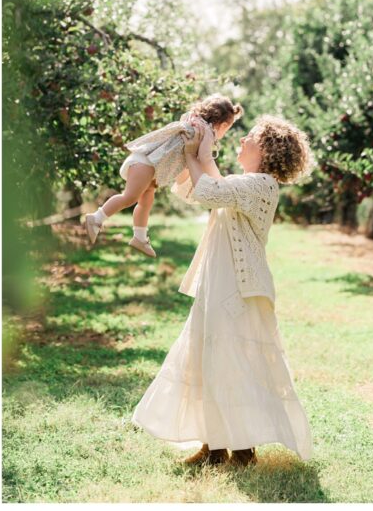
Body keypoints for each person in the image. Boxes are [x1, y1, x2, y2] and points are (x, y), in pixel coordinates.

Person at [131, 114, 314, 467]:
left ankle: (242, 448)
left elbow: (209, 189)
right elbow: (195, 189)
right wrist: (191, 149)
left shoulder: (262, 185)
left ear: (266, 150)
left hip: (239, 290)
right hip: (218, 283)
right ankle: (214, 446)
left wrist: (200, 151)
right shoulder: (244, 183)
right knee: (206, 359)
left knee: (233, 364)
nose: (242, 141)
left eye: (250, 138)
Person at [84, 94, 243, 258]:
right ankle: (97, 218)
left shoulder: (193, 121)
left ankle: (139, 237)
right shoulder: (203, 132)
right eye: (227, 129)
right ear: (223, 125)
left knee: (147, 199)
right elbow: (203, 159)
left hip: (149, 166)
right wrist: (216, 182)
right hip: (145, 162)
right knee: (130, 197)